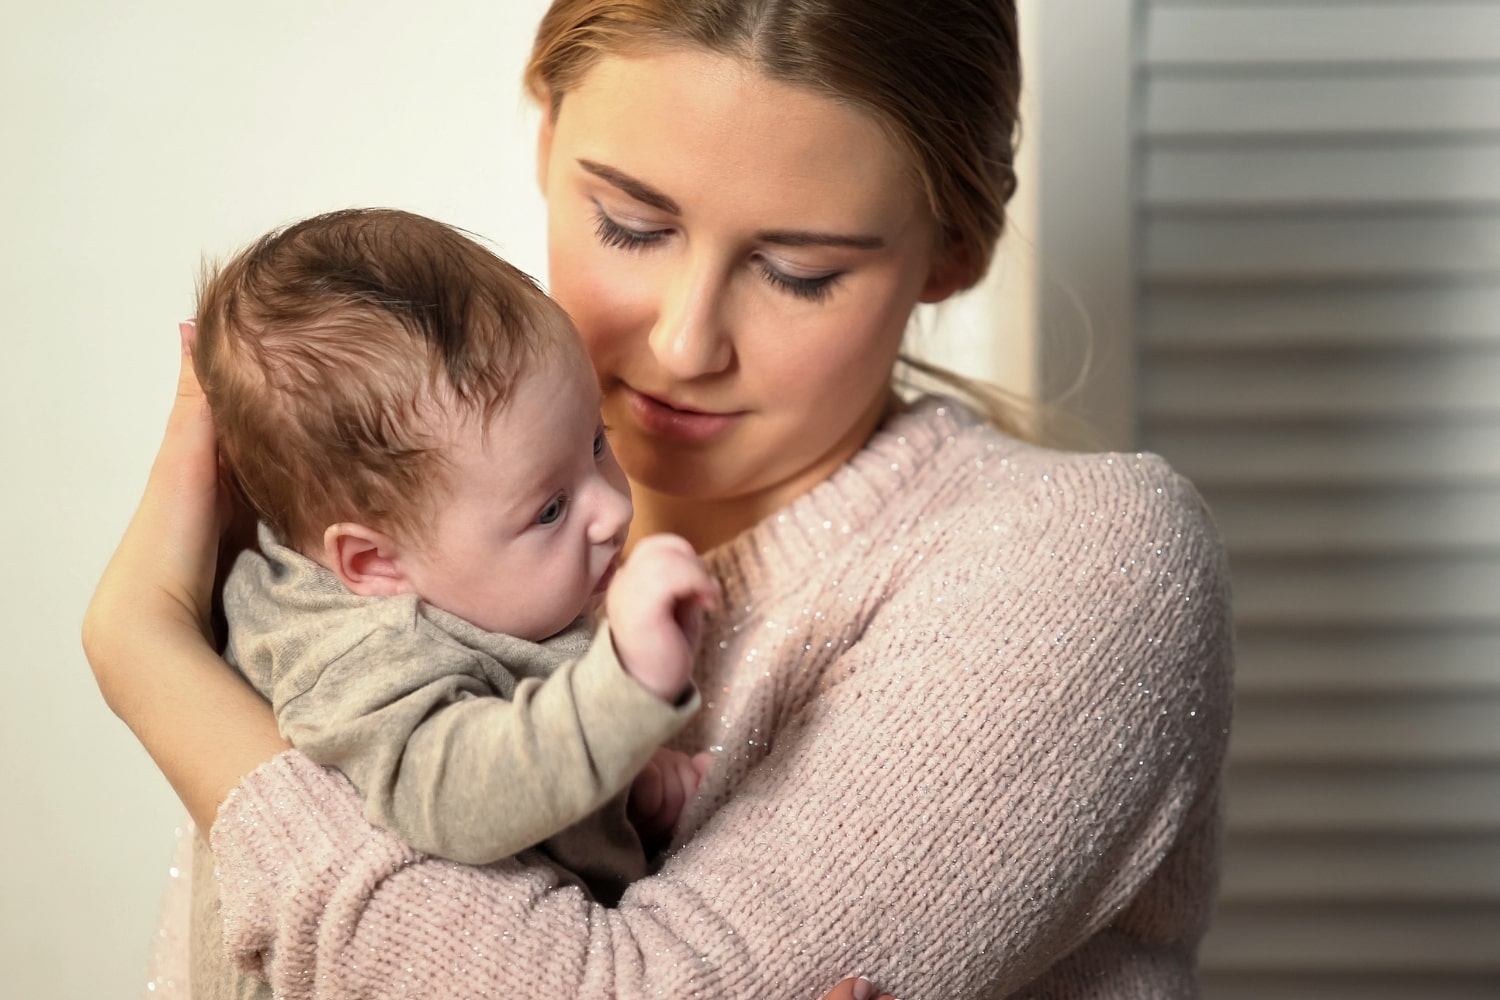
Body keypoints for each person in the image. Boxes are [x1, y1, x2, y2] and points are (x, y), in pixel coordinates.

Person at [84, 1, 1234, 998]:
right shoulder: (385, 520)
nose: (684, 343)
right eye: (631, 223)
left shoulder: (1075, 563)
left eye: (800, 270)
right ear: (544, 132)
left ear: (952, 252)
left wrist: (154, 662)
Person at [185, 207, 722, 996]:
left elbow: (523, 737)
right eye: (548, 509)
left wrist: (631, 789)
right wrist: (625, 688)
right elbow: (460, 795)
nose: (610, 509)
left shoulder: (465, 581)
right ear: (371, 562)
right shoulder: (354, 653)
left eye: (597, 442)